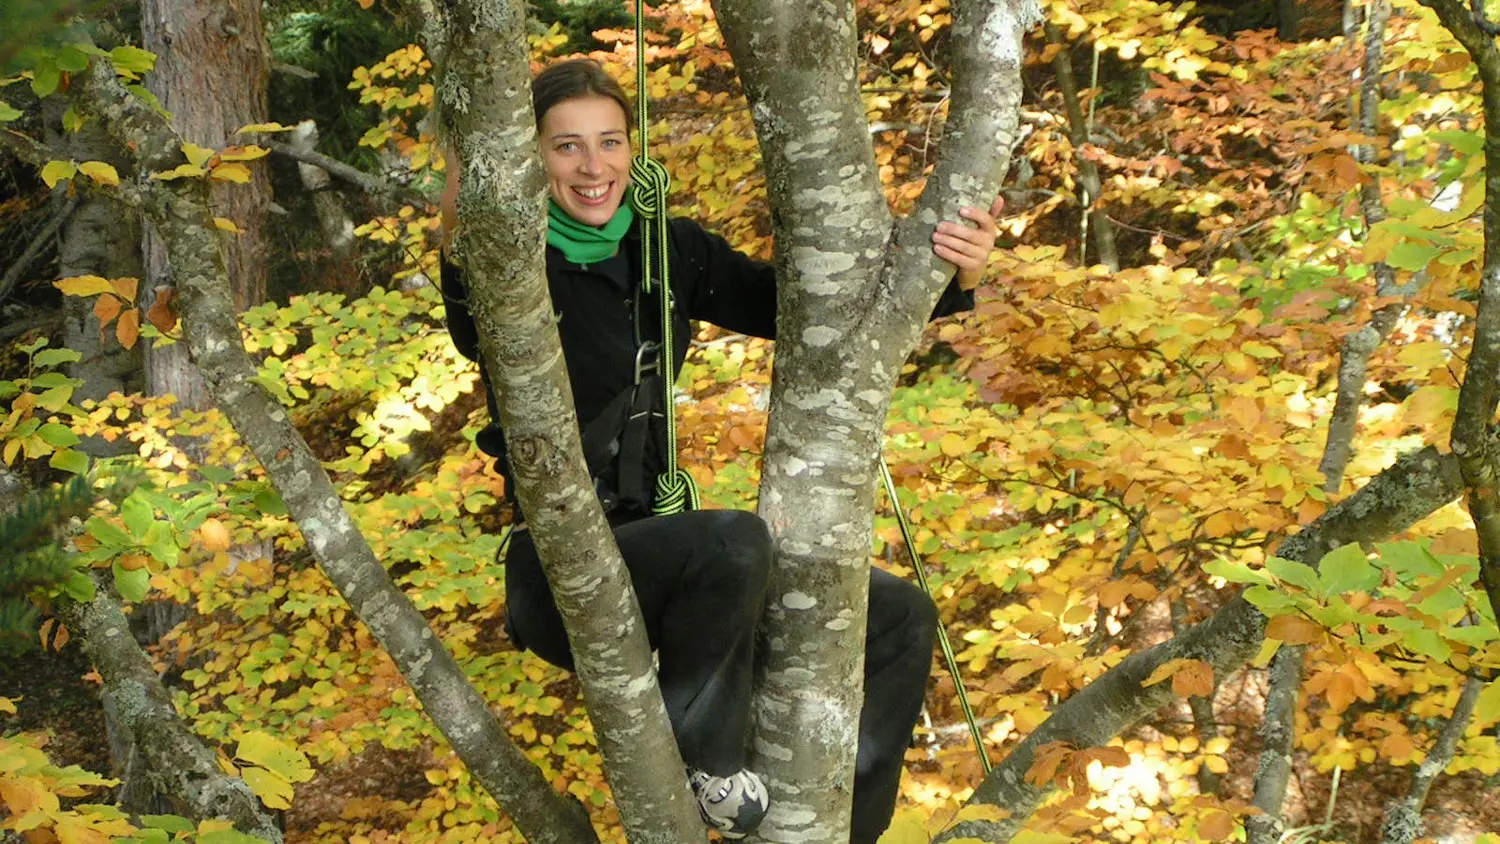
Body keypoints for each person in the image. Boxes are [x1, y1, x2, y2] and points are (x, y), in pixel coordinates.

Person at [439, 58, 1002, 843]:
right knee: (736, 539)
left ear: (633, 149)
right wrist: (468, 160)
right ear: (528, 159)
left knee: (900, 616)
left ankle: (849, 831)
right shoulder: (507, 269)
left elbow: (804, 307)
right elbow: (464, 243)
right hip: (560, 572)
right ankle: (707, 766)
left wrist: (950, 274)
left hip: (672, 563)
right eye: (566, 147)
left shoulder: (668, 250)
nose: (593, 166)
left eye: (609, 141)